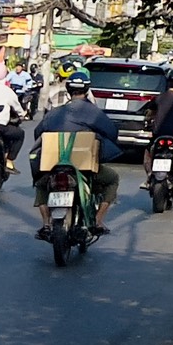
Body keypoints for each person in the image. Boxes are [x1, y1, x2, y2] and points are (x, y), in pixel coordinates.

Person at [28, 66, 121, 235]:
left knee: (41, 184)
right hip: (84, 166)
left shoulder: (55, 113)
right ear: (86, 89)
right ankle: (98, 221)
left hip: (54, 165)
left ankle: (46, 223)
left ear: (69, 90)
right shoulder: (94, 112)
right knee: (112, 179)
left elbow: (38, 133)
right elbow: (112, 133)